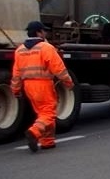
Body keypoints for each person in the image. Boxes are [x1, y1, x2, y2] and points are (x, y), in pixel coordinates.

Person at [11, 21, 74, 152]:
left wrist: (15, 90)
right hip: (43, 84)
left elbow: (16, 74)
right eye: (43, 31)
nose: (45, 33)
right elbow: (59, 69)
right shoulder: (46, 48)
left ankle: (47, 141)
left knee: (42, 113)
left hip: (28, 86)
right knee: (49, 112)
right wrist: (68, 82)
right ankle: (34, 132)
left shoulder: (20, 50)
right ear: (39, 32)